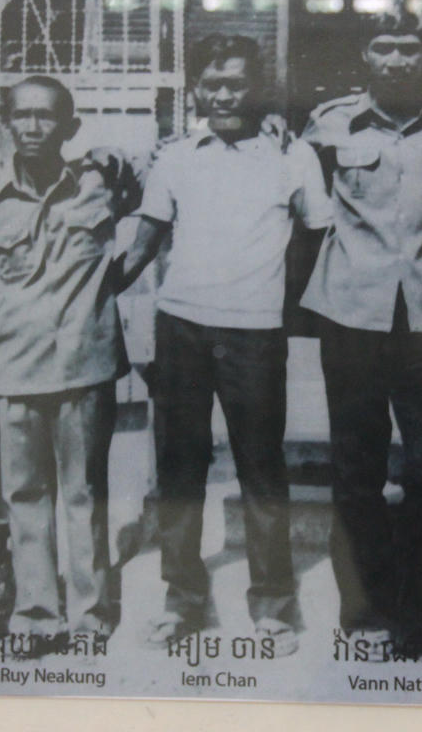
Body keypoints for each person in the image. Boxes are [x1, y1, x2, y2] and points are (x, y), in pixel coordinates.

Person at [117, 34, 327, 655]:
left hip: (255, 333)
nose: (224, 94)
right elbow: (146, 239)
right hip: (180, 328)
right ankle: (182, 602)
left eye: (237, 83)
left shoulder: (294, 157)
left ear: (258, 89)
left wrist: (287, 306)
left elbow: (317, 236)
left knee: (262, 469)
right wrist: (97, 286)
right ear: (195, 90)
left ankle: (273, 606)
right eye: (212, 84)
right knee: (180, 468)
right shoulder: (176, 157)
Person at [300, 1, 422, 651]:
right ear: (363, 56)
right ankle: (366, 612)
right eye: (384, 45)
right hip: (351, 315)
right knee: (356, 467)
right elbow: (305, 207)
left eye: (408, 46)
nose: (397, 58)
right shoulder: (330, 125)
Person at [0, 75, 141, 647]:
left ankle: (88, 615)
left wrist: (120, 160)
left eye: (46, 117)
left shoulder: (99, 183)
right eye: (23, 116)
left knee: (84, 496)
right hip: (13, 370)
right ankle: (36, 617)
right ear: (4, 123)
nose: (33, 127)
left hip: (84, 366)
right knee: (25, 498)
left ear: (70, 127)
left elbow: (159, 190)